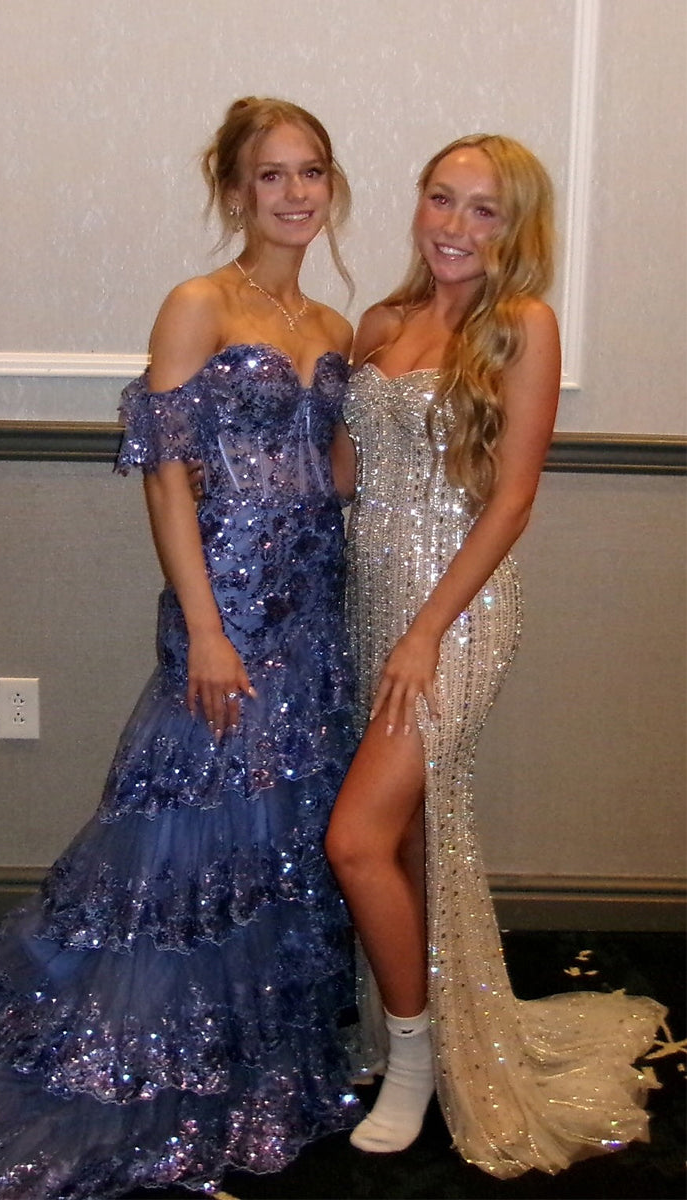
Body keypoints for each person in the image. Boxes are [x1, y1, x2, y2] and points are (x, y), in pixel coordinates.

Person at [0, 97, 364, 1198]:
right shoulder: (198, 304)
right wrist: (206, 626)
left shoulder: (334, 325)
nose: (295, 194)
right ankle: (136, 1051)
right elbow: (165, 479)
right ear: (234, 190)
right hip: (227, 605)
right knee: (189, 824)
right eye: (271, 175)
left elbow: (331, 475)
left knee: (282, 826)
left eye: (312, 172)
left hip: (310, 607)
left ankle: (249, 1046)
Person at [325, 133, 665, 1177]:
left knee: (354, 840)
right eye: (443, 198)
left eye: (484, 210)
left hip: (457, 619)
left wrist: (427, 633)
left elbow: (513, 500)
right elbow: (341, 480)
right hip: (369, 606)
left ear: (515, 230)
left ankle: (414, 1061)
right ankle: (414, 1028)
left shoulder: (522, 325)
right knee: (403, 840)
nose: (456, 226)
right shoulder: (382, 323)